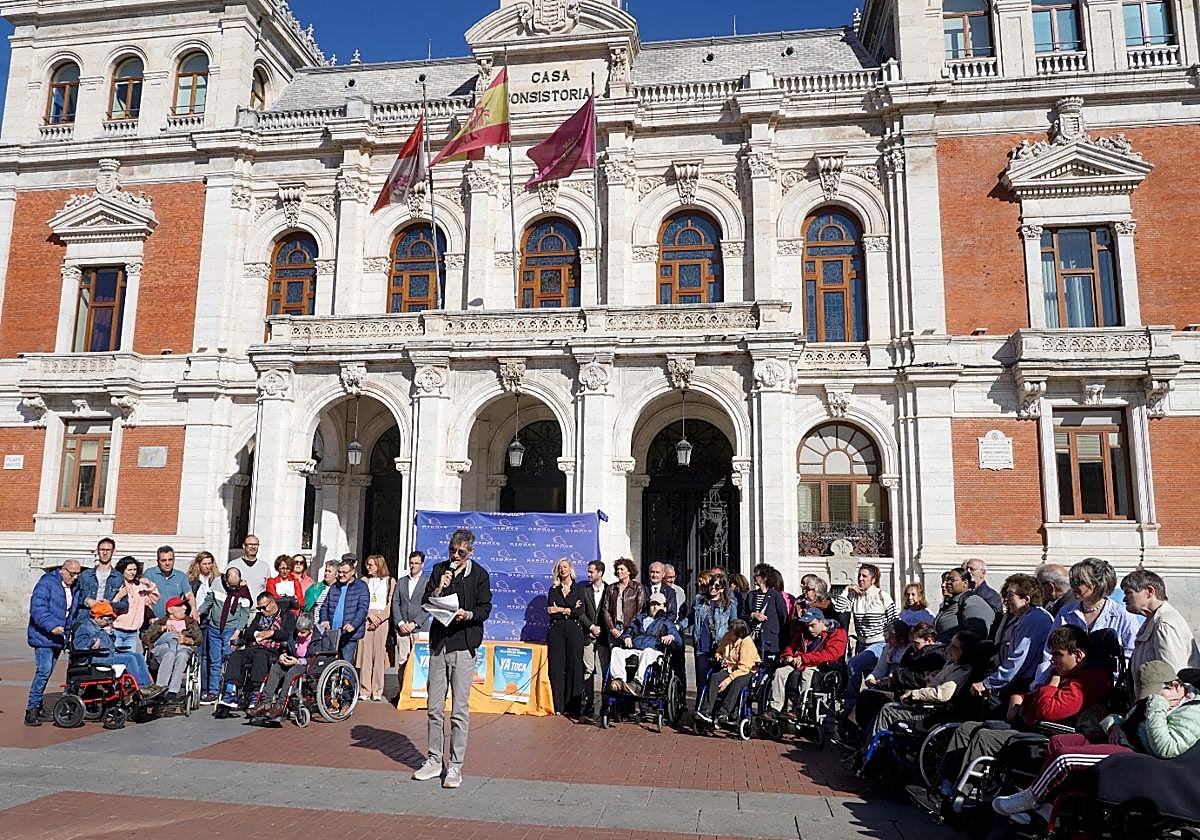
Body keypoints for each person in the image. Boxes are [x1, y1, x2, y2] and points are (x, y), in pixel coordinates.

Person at [994, 659, 1200, 819]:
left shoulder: (1192, 712)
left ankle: (1031, 798)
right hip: (1123, 738)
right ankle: (1050, 804)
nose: (1151, 699)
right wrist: (1114, 725)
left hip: (1138, 756)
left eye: (1154, 695)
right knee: (1058, 742)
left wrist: (1157, 705)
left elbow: (1165, 748)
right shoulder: (1167, 697)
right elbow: (1128, 717)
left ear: (1175, 686)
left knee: (1065, 758)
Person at [937, 625, 1114, 804]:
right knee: (967, 728)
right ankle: (946, 784)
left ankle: (965, 797)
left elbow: (1048, 710)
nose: (1052, 660)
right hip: (1031, 724)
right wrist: (1019, 698)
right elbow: (1035, 697)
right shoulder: (1068, 673)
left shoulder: (1089, 680)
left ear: (1078, 655)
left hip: (1050, 736)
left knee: (985, 737)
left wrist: (1053, 681)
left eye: (1057, 654)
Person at [412, 528, 492, 790]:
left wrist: (467, 615)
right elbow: (426, 601)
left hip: (463, 645)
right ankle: (434, 760)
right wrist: (440, 587)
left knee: (459, 710)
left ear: (471, 552)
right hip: (439, 644)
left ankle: (455, 766)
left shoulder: (479, 575)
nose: (455, 556)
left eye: (461, 552)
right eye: (452, 550)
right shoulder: (439, 570)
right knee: (434, 707)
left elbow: (485, 608)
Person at [1032, 557, 1140, 688]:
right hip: (1067, 685)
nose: (1073, 586)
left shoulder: (1123, 616)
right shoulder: (1066, 612)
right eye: (1072, 581)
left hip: (1109, 686)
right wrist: (1041, 683)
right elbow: (1049, 652)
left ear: (1097, 584)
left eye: (1079, 581)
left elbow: (1132, 655)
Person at [868, 631, 980, 741]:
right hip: (926, 702)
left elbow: (942, 694)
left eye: (954, 647)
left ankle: (873, 749)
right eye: (950, 644)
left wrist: (914, 693)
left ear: (964, 651)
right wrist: (932, 676)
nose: (949, 648)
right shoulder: (952, 664)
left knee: (888, 711)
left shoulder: (963, 671)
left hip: (934, 713)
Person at [969, 574, 1054, 706]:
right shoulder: (1027, 617)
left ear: (1026, 599)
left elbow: (1019, 659)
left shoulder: (1034, 620)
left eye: (1010, 595)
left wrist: (988, 683)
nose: (1006, 599)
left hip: (1025, 684)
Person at [216, 592, 296, 713]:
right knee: (236, 655)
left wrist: (272, 633)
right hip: (255, 647)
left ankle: (256, 692)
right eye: (259, 608)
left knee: (260, 656)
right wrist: (256, 634)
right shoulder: (259, 617)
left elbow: (288, 634)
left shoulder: (287, 616)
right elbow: (247, 633)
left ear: (272, 603)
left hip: (273, 649)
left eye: (264, 607)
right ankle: (230, 690)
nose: (261, 610)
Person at [833, 563, 898, 711]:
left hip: (879, 643)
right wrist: (846, 590)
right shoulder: (855, 597)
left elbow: (894, 620)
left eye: (864, 576)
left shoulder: (882, 596)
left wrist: (892, 645)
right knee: (871, 680)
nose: (860, 579)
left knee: (853, 665)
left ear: (873, 579)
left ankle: (850, 704)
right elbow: (839, 609)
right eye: (859, 576)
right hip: (861, 644)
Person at [25, 560, 82, 726]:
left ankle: (38, 706)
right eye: (72, 573)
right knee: (43, 671)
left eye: (77, 574)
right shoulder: (47, 583)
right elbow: (38, 608)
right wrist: (51, 626)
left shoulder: (74, 587)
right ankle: (31, 709)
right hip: (44, 636)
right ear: (63, 570)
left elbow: (71, 612)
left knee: (47, 673)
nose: (75, 577)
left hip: (59, 637)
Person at [1120, 568, 1200, 685]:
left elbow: (1172, 678)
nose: (1124, 599)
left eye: (1128, 593)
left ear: (1149, 591)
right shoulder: (1153, 621)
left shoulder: (1164, 625)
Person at [766, 607, 848, 718]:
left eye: (812, 625)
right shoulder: (804, 632)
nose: (809, 629)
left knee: (807, 674)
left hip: (821, 665)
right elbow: (791, 646)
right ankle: (775, 708)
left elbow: (830, 655)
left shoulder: (837, 633)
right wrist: (788, 656)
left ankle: (800, 708)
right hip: (800, 662)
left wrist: (803, 658)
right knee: (780, 672)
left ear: (821, 622)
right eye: (807, 625)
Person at [251, 612, 333, 719]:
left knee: (293, 671)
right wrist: (283, 656)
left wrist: (299, 661)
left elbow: (321, 658)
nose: (299, 634)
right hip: (294, 662)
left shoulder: (321, 638)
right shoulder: (294, 635)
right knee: (276, 668)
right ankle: (265, 703)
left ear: (311, 630)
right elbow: (288, 649)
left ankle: (281, 705)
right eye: (298, 631)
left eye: (303, 632)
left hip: (311, 665)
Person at [73, 601, 159, 697]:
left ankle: (150, 685)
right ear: (97, 618)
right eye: (108, 619)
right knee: (130, 659)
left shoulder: (101, 626)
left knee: (138, 656)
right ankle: (142, 687)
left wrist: (110, 634)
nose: (109, 622)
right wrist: (93, 641)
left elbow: (109, 643)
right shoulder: (85, 627)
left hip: (107, 655)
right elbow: (78, 645)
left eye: (111, 619)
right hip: (96, 658)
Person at [199, 567, 252, 704]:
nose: (233, 588)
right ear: (226, 580)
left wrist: (237, 632)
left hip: (231, 629)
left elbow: (245, 614)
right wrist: (198, 614)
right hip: (214, 628)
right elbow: (208, 602)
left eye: (236, 585)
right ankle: (213, 691)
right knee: (215, 661)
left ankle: (228, 691)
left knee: (228, 660)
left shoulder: (244, 591)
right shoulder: (217, 583)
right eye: (231, 585)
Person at [609, 592, 683, 690]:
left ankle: (637, 683)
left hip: (654, 652)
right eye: (653, 604)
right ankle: (619, 680)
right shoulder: (638, 620)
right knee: (616, 651)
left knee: (647, 652)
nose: (655, 607)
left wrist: (671, 636)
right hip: (635, 649)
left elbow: (679, 641)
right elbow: (628, 631)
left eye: (658, 605)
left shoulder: (666, 622)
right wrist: (627, 637)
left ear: (664, 608)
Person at [695, 618, 759, 726]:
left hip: (745, 671)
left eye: (732, 632)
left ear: (739, 634)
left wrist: (727, 680)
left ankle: (723, 713)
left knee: (736, 682)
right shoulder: (727, 637)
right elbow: (719, 651)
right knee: (715, 677)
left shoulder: (747, 643)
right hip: (729, 668)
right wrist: (719, 657)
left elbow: (744, 668)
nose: (729, 634)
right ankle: (706, 711)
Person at [143, 596, 201, 703]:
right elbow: (146, 637)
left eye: (184, 605)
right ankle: (160, 689)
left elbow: (199, 639)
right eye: (180, 606)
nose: (184, 608)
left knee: (182, 656)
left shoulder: (190, 622)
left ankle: (173, 691)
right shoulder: (160, 622)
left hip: (182, 647)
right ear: (170, 610)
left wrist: (187, 640)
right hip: (163, 647)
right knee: (169, 654)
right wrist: (162, 628)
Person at [546, 558, 584, 716]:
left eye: (565, 567)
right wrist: (569, 609)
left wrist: (560, 609)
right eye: (560, 567)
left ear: (570, 569)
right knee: (557, 667)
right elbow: (551, 611)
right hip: (557, 630)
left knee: (574, 666)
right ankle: (558, 706)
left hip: (574, 630)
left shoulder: (579, 588)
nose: (562, 569)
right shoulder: (553, 589)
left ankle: (573, 707)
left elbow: (579, 612)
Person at [357, 554, 394, 702]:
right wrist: (369, 615)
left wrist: (380, 618)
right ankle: (364, 689)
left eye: (371, 565)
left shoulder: (390, 581)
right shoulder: (364, 581)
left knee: (379, 654)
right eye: (367, 564)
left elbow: (390, 603)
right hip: (367, 617)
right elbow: (361, 600)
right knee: (366, 654)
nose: (368, 567)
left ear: (379, 565)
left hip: (382, 619)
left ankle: (377, 690)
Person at [318, 557, 370, 663]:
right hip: (332, 632)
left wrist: (353, 624)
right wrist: (324, 620)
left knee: (346, 664)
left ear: (352, 572)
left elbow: (362, 609)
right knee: (329, 663)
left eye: (345, 572)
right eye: (339, 572)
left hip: (349, 634)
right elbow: (325, 606)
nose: (341, 575)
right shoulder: (334, 587)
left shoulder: (361, 587)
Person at [692, 572, 738, 691]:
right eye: (711, 584)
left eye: (717, 586)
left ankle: (713, 702)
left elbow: (733, 624)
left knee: (717, 680)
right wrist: (678, 626)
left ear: (722, 589)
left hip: (720, 646)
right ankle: (701, 702)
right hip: (702, 645)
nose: (713, 588)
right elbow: (691, 618)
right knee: (701, 680)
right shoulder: (699, 600)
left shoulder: (730, 604)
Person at [575, 559, 607, 719]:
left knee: (606, 670)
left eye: (591, 571)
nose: (588, 574)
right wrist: (591, 627)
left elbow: (611, 612)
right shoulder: (584, 590)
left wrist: (601, 628)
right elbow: (580, 613)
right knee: (588, 669)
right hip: (588, 636)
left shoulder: (609, 589)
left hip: (604, 637)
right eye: (588, 571)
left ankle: (606, 704)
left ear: (600, 573)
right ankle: (589, 702)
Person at [188, 551, 223, 698]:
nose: (207, 566)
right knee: (202, 656)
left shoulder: (218, 580)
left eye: (209, 563)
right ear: (198, 564)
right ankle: (203, 688)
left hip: (214, 620)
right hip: (199, 620)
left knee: (213, 655)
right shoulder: (192, 581)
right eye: (204, 564)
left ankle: (213, 688)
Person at [391, 551, 431, 678]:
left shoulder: (428, 582)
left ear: (422, 564)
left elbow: (429, 605)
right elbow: (395, 602)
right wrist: (400, 623)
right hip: (402, 629)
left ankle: (417, 690)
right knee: (402, 663)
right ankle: (402, 689)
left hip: (419, 629)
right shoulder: (402, 581)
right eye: (411, 563)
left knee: (419, 663)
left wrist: (415, 623)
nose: (413, 566)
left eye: (416, 563)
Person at [933, 567, 994, 643]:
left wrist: (957, 645)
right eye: (947, 579)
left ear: (965, 583)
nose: (948, 582)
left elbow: (976, 633)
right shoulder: (951, 603)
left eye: (952, 580)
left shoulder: (972, 601)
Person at [601, 557, 645, 651]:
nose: (619, 571)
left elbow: (640, 610)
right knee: (615, 655)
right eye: (617, 569)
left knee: (630, 655)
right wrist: (612, 628)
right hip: (615, 627)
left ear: (629, 571)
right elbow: (605, 610)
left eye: (622, 569)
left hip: (631, 628)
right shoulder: (611, 588)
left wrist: (630, 630)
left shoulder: (638, 588)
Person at [746, 564, 790, 657]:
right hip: (752, 641)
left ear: (765, 577)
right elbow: (743, 615)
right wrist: (753, 615)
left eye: (757, 575)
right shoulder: (751, 595)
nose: (754, 577)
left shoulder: (776, 596)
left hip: (769, 642)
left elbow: (784, 619)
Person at [143, 546, 195, 618]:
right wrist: (151, 617)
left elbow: (189, 594)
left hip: (174, 620)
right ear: (158, 561)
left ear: (174, 560)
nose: (167, 563)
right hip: (154, 620)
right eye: (163, 560)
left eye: (170, 560)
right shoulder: (149, 574)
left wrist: (193, 608)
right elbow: (144, 598)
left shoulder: (181, 576)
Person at [78, 537, 120, 610]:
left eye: (108, 550)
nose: (105, 553)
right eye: (102, 550)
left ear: (113, 552)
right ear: (97, 551)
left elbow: (124, 604)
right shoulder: (85, 575)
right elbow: (75, 597)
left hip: (106, 615)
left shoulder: (119, 577)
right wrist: (86, 601)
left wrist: (110, 603)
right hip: (86, 614)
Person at [227, 534, 269, 599]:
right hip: (238, 604)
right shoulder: (233, 565)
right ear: (244, 546)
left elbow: (267, 589)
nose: (253, 547)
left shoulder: (264, 566)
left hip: (258, 605)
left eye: (255, 544)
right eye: (250, 544)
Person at [661, 563, 688, 630]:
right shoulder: (657, 589)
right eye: (669, 577)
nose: (672, 580)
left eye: (674, 577)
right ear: (663, 576)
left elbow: (683, 611)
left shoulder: (679, 591)